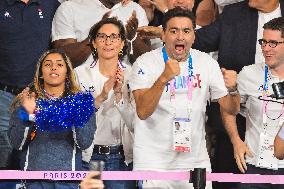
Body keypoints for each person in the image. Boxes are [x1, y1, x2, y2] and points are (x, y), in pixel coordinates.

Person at [129, 7, 240, 189]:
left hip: (195, 161)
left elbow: (231, 108)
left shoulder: (207, 63)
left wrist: (233, 89)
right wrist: (164, 78)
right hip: (153, 162)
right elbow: (142, 111)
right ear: (163, 35)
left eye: (186, 31)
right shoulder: (146, 63)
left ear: (193, 36)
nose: (180, 37)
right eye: (173, 31)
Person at [8, 49, 96, 189]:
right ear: (41, 73)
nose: (54, 67)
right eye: (48, 64)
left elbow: (84, 142)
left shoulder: (82, 103)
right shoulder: (26, 101)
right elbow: (17, 143)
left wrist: (73, 113)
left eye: (59, 64)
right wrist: (29, 114)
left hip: (68, 183)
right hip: (33, 182)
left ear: (67, 73)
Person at [223, 17, 284, 189]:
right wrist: (236, 141)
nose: (266, 49)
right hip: (254, 167)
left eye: (273, 43)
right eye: (263, 42)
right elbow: (228, 110)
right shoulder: (249, 74)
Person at [75, 17, 136, 189]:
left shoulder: (132, 75)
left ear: (122, 43)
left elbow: (135, 124)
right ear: (94, 43)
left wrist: (119, 95)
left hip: (122, 159)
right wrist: (101, 96)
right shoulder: (79, 74)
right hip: (89, 157)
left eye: (114, 37)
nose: (108, 42)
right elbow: (77, 120)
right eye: (102, 36)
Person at [0, 0, 60, 170]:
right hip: (4, 96)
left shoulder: (50, 5)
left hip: (40, 96)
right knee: (5, 159)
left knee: (37, 158)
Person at [52, 0, 150, 67]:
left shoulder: (136, 10)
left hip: (122, 90)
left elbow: (146, 62)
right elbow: (61, 60)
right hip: (82, 91)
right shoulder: (70, 8)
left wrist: (133, 39)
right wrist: (96, 34)